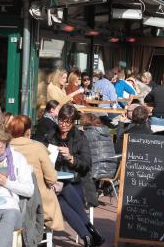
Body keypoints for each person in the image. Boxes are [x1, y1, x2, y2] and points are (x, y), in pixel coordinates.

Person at [43, 104, 103, 247]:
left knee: (62, 195)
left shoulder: (80, 137)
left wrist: (71, 158)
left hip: (77, 183)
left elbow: (87, 165)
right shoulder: (50, 135)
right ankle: (90, 234)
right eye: (61, 121)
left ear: (73, 122)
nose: (63, 125)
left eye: (67, 122)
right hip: (54, 183)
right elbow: (42, 158)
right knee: (60, 194)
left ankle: (88, 236)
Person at [7, 115, 64, 231]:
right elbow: (51, 178)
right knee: (60, 190)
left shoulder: (5, 148)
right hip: (38, 201)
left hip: (11, 199)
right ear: (28, 131)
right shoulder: (38, 148)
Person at [80, 114, 117, 180]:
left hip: (97, 169)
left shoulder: (89, 133)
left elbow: (80, 149)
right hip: (111, 168)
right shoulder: (106, 131)